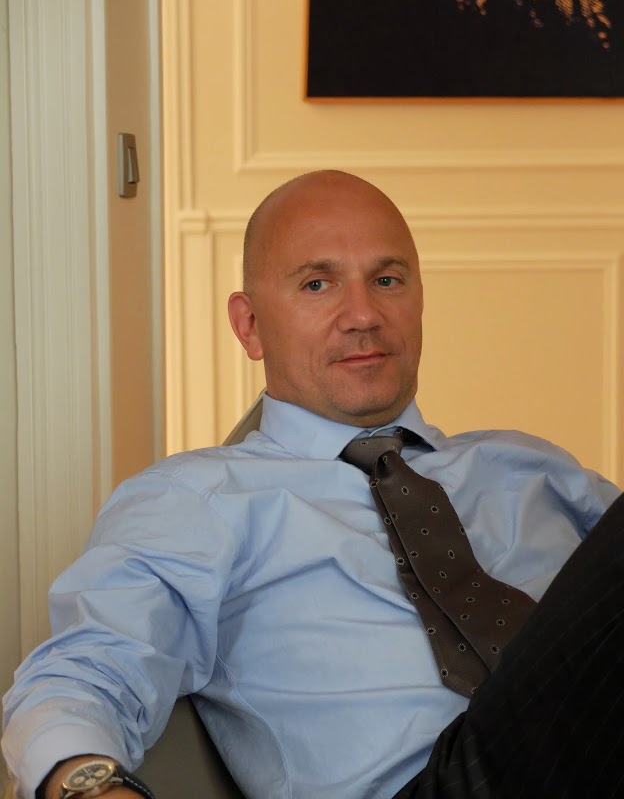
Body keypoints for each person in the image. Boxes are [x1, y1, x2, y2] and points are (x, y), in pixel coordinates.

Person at [2, 170, 623, 799]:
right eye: (317, 284)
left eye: (387, 280)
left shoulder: (529, 466)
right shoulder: (196, 498)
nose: (364, 315)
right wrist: (85, 786)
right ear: (249, 325)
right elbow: (82, 673)